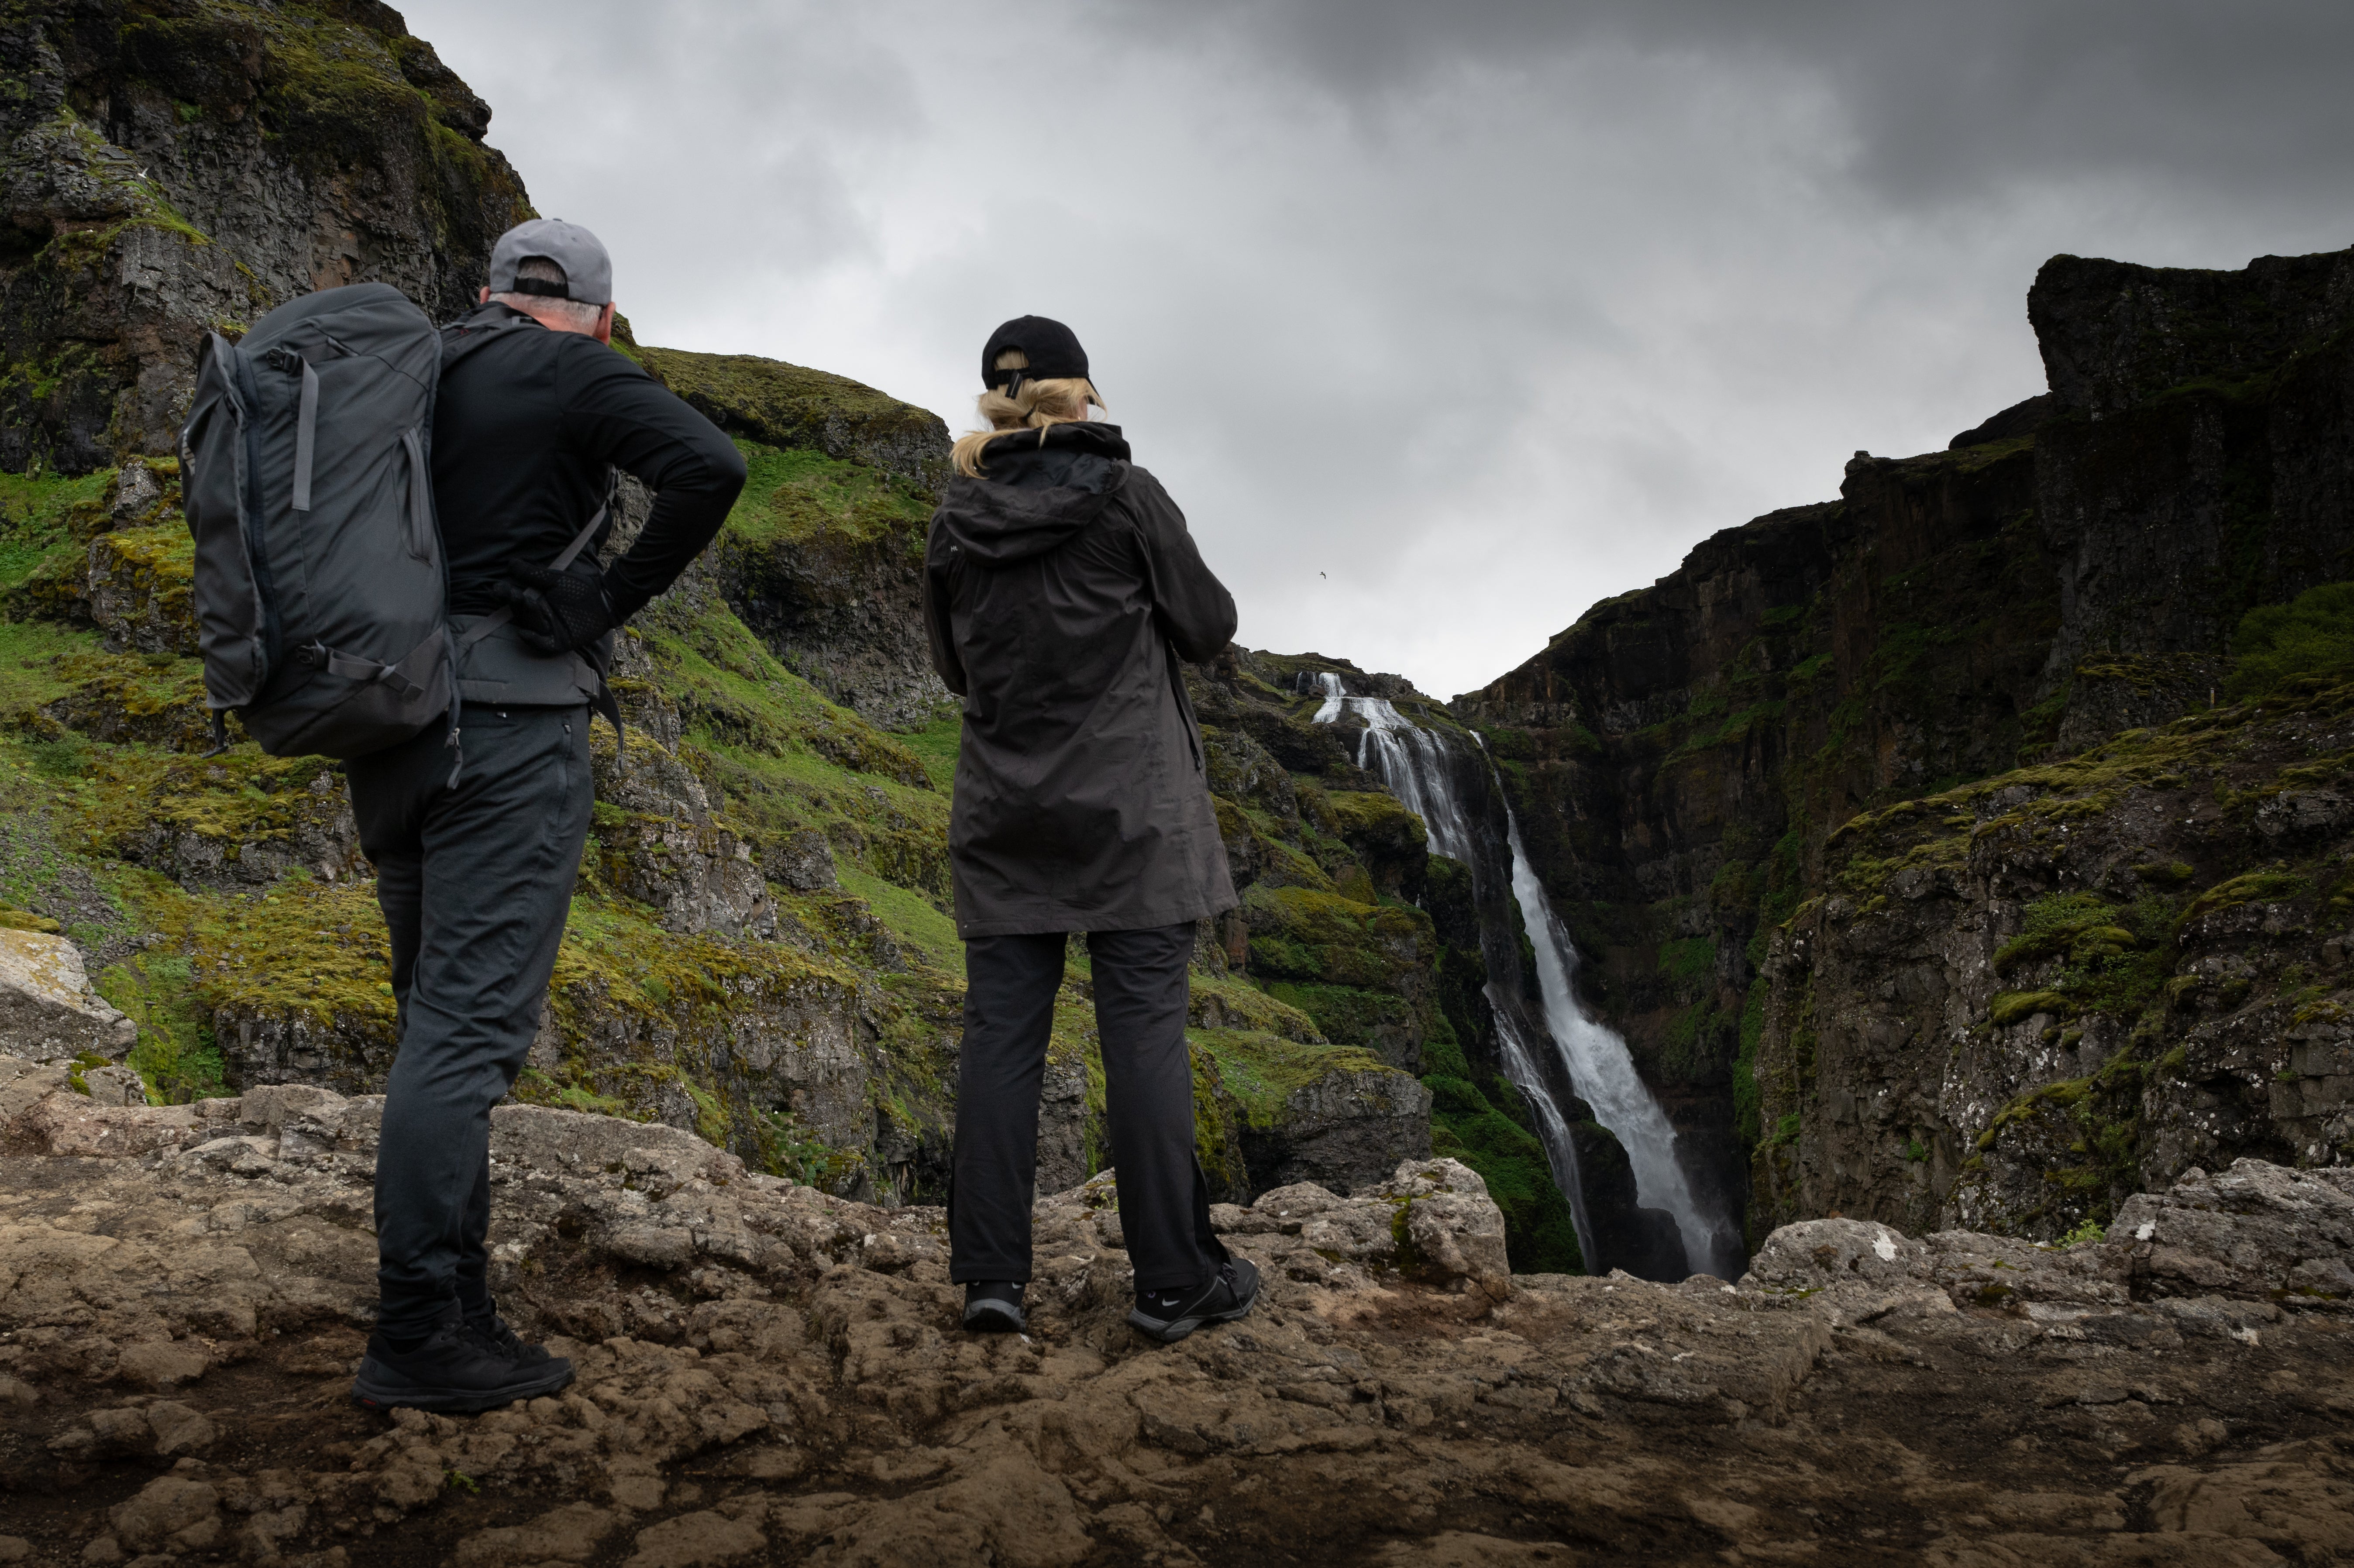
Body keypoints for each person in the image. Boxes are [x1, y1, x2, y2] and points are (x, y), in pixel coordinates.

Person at [349, 219, 748, 1412]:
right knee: (463, 1038)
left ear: (485, 293)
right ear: (600, 315)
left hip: (389, 729)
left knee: (432, 1020)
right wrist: (608, 596)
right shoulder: (575, 368)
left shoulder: (418, 363)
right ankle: (418, 1330)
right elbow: (711, 468)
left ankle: (458, 1309)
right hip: (508, 727)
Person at [922, 314, 1258, 1344]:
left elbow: (951, 667)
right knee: (1144, 1033)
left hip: (1006, 809)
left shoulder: (957, 515)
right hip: (1133, 814)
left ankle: (989, 1278)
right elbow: (1208, 627)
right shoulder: (1127, 496)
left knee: (1001, 1040)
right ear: (1084, 392)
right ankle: (1170, 1282)